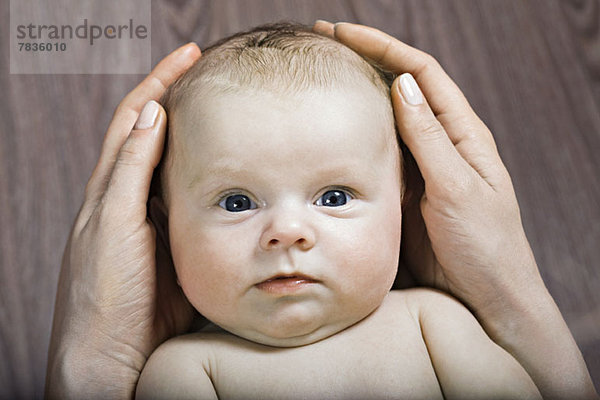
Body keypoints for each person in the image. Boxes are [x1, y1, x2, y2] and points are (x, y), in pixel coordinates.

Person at [45, 21, 598, 399]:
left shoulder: (434, 324)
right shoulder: (188, 370)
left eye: (334, 197)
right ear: (164, 230)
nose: (286, 232)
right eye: (236, 202)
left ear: (406, 202)